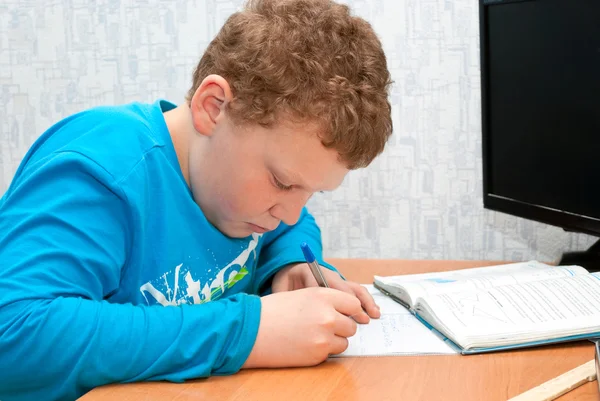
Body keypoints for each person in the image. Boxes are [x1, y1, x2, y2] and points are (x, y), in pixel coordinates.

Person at [0, 0, 393, 399]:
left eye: (312, 192)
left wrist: (290, 261)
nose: (289, 212)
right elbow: (13, 332)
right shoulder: (104, 171)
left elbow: (294, 225)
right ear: (214, 108)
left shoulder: (242, 196)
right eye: (281, 182)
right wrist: (247, 332)